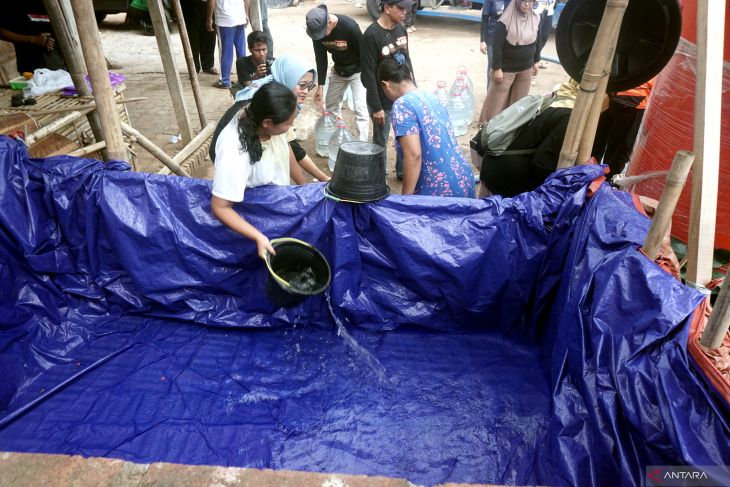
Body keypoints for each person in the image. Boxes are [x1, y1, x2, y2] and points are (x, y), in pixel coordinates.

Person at [211, 82, 299, 259]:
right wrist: (258, 236)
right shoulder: (234, 151)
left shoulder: (261, 112)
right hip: (252, 216)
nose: (291, 126)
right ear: (267, 123)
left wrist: (303, 187)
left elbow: (285, 148)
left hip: (276, 203)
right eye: (288, 124)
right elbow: (220, 207)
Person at [211, 54, 330, 182]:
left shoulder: (276, 94)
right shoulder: (269, 103)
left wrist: (309, 183)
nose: (306, 91)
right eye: (302, 85)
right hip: (228, 161)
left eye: (310, 86)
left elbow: (288, 145)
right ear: (287, 79)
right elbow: (291, 147)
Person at [478, 79, 601, 197]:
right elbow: (542, 164)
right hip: (507, 177)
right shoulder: (571, 117)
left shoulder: (558, 96)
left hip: (492, 163)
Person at [378, 56, 475, 198]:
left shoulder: (402, 105)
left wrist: (405, 200)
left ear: (385, 85)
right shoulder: (432, 96)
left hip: (440, 191)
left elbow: (413, 155)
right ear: (409, 75)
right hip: (464, 181)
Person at [361, 0, 414, 180]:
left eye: (406, 8)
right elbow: (367, 74)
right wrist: (376, 107)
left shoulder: (401, 29)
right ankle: (378, 178)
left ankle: (402, 172)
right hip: (382, 100)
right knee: (380, 141)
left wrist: (413, 90)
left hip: (403, 97)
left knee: (404, 137)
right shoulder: (371, 35)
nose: (405, 12)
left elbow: (407, 61)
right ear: (387, 8)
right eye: (400, 8)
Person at [305, 5, 369, 142]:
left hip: (357, 70)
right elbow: (321, 58)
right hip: (338, 70)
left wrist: (368, 78)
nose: (320, 37)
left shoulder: (349, 27)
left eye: (323, 33)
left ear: (329, 22)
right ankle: (336, 139)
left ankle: (361, 146)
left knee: (360, 108)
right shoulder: (316, 30)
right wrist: (320, 87)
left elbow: (365, 53)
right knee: (331, 105)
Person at [477, 0, 542, 126]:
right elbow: (497, 46)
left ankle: (509, 130)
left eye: (530, 1)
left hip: (526, 68)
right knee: (495, 103)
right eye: (523, 1)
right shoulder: (504, 21)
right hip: (506, 69)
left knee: (518, 103)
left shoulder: (536, 18)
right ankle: (486, 129)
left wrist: (536, 60)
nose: (527, 4)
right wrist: (497, 68)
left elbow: (537, 41)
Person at [593, 78, 655, 177]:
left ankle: (596, 172)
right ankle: (605, 176)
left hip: (616, 93)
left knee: (600, 138)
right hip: (627, 99)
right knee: (618, 146)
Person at [0, 1, 65, 75]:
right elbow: (2, 32)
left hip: (60, 64)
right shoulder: (12, 4)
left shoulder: (57, 3)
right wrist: (32, 39)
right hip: (31, 66)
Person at [207, 0, 248, 89]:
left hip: (225, 18)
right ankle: (244, 79)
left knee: (225, 51)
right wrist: (246, 13)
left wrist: (209, 17)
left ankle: (225, 81)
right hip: (239, 15)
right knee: (241, 50)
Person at [181, 0, 218, 75]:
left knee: (209, 35)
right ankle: (194, 68)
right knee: (192, 37)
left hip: (208, 4)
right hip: (189, 5)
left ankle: (208, 65)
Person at [479, 1, 509, 88]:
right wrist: (482, 41)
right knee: (493, 67)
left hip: (509, 39)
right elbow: (484, 19)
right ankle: (490, 93)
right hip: (492, 38)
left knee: (507, 67)